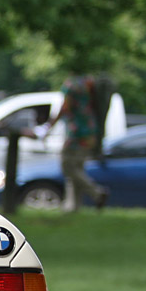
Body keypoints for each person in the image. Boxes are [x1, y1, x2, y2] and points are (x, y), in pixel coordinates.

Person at [37, 74, 109, 211]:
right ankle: (73, 206)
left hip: (76, 133)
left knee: (67, 167)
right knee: (77, 169)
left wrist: (48, 127)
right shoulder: (89, 82)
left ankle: (97, 192)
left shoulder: (72, 85)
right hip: (90, 131)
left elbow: (64, 108)